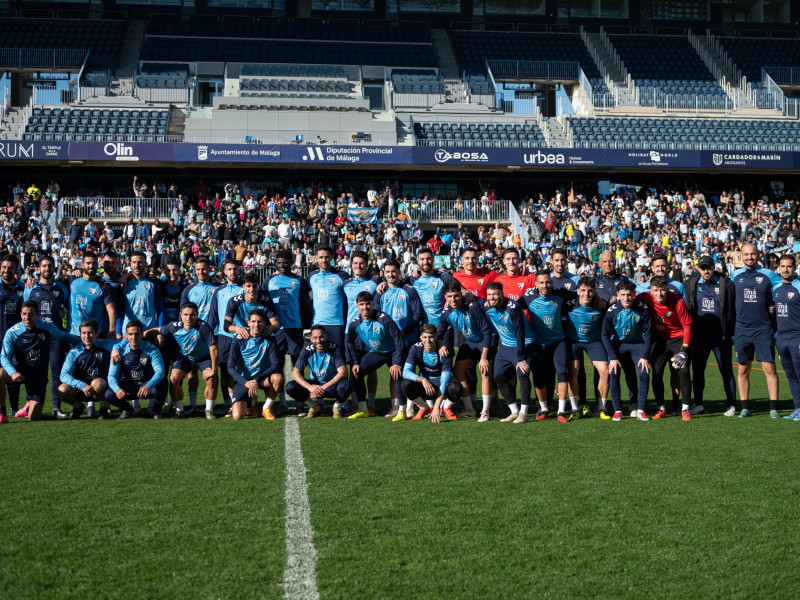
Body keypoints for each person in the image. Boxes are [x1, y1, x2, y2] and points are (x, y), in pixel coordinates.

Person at [1, 301, 79, 421]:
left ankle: (28, 406)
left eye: (31, 314)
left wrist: (84, 342)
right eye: (24, 314)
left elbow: (64, 336)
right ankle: (2, 414)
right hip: (19, 372)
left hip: (38, 376)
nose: (27, 318)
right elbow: (4, 356)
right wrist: (12, 372)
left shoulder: (47, 327)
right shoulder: (12, 332)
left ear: (37, 314)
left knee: (33, 418)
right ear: (21, 315)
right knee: (0, 373)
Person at [731, 242, 781, 418]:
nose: (749, 257)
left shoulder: (769, 275)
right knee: (743, 369)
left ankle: (773, 407)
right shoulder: (734, 275)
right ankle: (745, 407)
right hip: (742, 329)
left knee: (769, 368)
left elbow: (782, 290)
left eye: (752, 254)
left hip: (763, 329)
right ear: (741, 256)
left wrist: (774, 305)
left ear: (758, 255)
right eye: (746, 255)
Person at [147, 302, 218, 419]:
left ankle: (209, 410)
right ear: (180, 315)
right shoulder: (174, 326)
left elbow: (214, 348)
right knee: (173, 379)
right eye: (185, 315)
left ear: (197, 315)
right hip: (184, 357)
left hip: (203, 357)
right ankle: (179, 411)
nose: (188, 318)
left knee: (211, 379)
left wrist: (214, 370)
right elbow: (158, 329)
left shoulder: (204, 327)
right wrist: (142, 334)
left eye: (192, 315)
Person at [684, 254, 736, 415]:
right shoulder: (690, 283)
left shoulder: (726, 283)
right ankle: (698, 403)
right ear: (698, 269)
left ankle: (732, 405)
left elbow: (733, 307)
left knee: (726, 370)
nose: (706, 271)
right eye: (703, 268)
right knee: (698, 372)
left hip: (720, 335)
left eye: (709, 267)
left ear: (714, 267)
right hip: (699, 336)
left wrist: (731, 332)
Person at [636, 276, 693, 421]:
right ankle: (661, 408)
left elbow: (687, 325)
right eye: (656, 290)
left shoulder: (677, 301)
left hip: (678, 338)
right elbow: (630, 300)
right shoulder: (644, 298)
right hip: (659, 340)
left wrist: (684, 350)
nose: (660, 294)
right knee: (656, 373)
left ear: (667, 289)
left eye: (662, 290)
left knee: (684, 371)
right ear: (651, 291)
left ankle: (685, 408)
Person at [374, 258, 424, 419]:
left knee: (409, 372)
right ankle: (395, 407)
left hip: (409, 338)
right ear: (384, 274)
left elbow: (417, 315)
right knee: (394, 373)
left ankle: (410, 407)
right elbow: (375, 315)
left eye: (393, 271)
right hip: (390, 341)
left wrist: (404, 331)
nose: (391, 275)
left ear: (399, 272)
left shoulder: (409, 290)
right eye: (387, 272)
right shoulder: (380, 292)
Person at [481, 282, 536, 423]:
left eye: (495, 294)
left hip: (524, 343)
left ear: (501, 293)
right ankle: (514, 411)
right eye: (489, 294)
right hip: (505, 347)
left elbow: (520, 333)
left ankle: (523, 413)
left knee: (522, 373)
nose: (492, 297)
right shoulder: (487, 306)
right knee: (498, 376)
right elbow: (471, 299)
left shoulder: (513, 307)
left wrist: (521, 357)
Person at [438, 282, 494, 419]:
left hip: (485, 340)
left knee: (484, 371)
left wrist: (484, 358)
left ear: (461, 295)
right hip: (470, 342)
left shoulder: (472, 306)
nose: (453, 299)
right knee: (458, 370)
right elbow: (439, 333)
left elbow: (487, 331)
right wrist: (441, 345)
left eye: (456, 296)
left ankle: (485, 412)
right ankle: (470, 409)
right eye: (450, 296)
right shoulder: (446, 313)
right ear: (445, 297)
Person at [24, 255, 70, 417]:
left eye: (50, 266)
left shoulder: (62, 288)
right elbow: (24, 314)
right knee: (36, 373)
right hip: (36, 339)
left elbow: (69, 310)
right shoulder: (30, 289)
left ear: (53, 268)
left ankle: (56, 407)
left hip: (56, 338)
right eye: (44, 266)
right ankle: (30, 405)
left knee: (57, 373)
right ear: (38, 268)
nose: (47, 269)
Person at [346, 291, 405, 419]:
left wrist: (397, 363)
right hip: (378, 352)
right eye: (361, 304)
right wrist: (355, 362)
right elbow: (349, 341)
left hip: (393, 351)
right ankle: (363, 410)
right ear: (357, 306)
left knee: (397, 375)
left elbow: (398, 338)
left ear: (373, 304)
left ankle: (401, 411)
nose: (365, 307)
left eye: (368, 304)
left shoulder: (384, 318)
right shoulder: (355, 323)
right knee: (357, 372)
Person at [602, 280, 652, 420]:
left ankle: (641, 409)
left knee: (644, 373)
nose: (626, 298)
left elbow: (648, 334)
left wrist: (645, 355)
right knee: (614, 372)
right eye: (623, 294)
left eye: (629, 294)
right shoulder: (612, 311)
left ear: (634, 294)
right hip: (618, 345)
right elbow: (604, 334)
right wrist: (612, 357)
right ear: (617, 294)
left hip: (638, 345)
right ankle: (617, 410)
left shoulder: (643, 308)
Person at [57, 319, 125, 420]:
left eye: (90, 333)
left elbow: (128, 340)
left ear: (96, 333)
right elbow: (63, 375)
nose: (87, 336)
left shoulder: (105, 344)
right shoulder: (74, 352)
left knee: (97, 383)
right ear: (80, 334)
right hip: (81, 389)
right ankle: (78, 407)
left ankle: (103, 407)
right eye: (84, 333)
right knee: (61, 390)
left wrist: (116, 348)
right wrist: (82, 385)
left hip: (101, 388)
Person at [341, 250, 382, 415]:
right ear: (351, 265)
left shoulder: (375, 283)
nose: (359, 266)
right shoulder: (344, 284)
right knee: (354, 371)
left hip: (370, 332)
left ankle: (371, 405)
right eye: (356, 263)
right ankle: (356, 404)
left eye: (362, 263)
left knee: (371, 370)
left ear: (367, 265)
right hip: (350, 333)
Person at [565, 277, 610, 418]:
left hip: (593, 342)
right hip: (574, 342)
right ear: (577, 291)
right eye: (583, 290)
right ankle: (574, 408)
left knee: (605, 371)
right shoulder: (568, 305)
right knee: (573, 371)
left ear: (594, 292)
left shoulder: (601, 305)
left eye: (590, 291)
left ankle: (602, 409)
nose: (587, 294)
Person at [227, 308, 283, 420]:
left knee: (278, 378)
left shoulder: (270, 338)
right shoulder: (238, 339)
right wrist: (246, 383)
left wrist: (256, 379)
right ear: (248, 323)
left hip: (262, 378)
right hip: (245, 380)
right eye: (253, 321)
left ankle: (266, 408)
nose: (256, 325)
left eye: (259, 322)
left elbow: (275, 365)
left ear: (264, 323)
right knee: (237, 416)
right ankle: (253, 401)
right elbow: (230, 367)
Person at [401, 323, 463, 423]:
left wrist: (436, 407)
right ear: (420, 337)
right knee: (406, 384)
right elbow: (405, 372)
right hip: (426, 387)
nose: (428, 340)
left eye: (431, 337)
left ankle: (445, 408)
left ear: (436, 337)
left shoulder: (444, 352)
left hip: (442, 387)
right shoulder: (416, 348)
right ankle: (424, 407)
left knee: (456, 387)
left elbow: (444, 382)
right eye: (425, 337)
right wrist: (423, 379)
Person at [287, 325, 351, 419]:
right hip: (314, 386)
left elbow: (343, 372)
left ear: (326, 336)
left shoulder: (334, 348)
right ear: (311, 339)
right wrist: (309, 387)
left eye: (321, 337)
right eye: (315, 338)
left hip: (330, 387)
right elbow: (295, 373)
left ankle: (336, 406)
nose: (319, 340)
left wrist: (323, 387)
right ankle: (313, 405)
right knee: (290, 387)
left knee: (346, 385)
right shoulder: (307, 350)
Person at [180, 257, 217, 412]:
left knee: (212, 372)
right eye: (198, 270)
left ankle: (215, 405)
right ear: (194, 271)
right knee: (192, 373)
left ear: (210, 269)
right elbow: (181, 313)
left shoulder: (217, 288)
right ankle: (193, 405)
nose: (201, 272)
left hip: (211, 335)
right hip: (192, 336)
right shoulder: (189, 289)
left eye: (204, 269)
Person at [109, 320, 167, 419]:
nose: (134, 337)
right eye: (130, 334)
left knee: (162, 384)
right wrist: (117, 390)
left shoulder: (152, 349)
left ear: (141, 334)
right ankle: (127, 409)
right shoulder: (119, 352)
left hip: (146, 385)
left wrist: (149, 385)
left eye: (136, 334)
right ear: (126, 335)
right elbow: (111, 376)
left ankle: (156, 410)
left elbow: (160, 372)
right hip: (129, 386)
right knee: (109, 393)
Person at [208, 258, 243, 414]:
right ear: (224, 271)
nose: (233, 272)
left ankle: (246, 402)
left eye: (235, 269)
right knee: (225, 372)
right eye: (229, 269)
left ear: (239, 270)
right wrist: (211, 337)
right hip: (223, 337)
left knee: (243, 370)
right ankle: (228, 403)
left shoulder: (245, 289)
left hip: (243, 336)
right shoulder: (219, 291)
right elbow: (213, 316)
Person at [772, 254, 800, 420]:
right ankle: (797, 408)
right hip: (781, 340)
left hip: (797, 338)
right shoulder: (775, 289)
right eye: (782, 266)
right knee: (791, 376)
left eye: (789, 266)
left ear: (794, 267)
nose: (785, 269)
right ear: (778, 268)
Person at [0, 254, 27, 420]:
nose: (6, 270)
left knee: (13, 373)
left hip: (16, 339)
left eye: (10, 267)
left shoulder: (22, 288)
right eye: (3, 267)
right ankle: (2, 408)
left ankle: (15, 408)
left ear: (16, 269)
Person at [306, 244, 349, 349]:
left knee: (337, 358)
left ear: (331, 258)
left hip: (336, 324)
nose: (324, 260)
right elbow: (298, 290)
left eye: (326, 257)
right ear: (316, 259)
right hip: (316, 324)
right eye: (321, 257)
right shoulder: (311, 276)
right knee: (317, 360)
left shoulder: (342, 276)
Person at [116, 250, 164, 335]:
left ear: (146, 264)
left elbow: (160, 309)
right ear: (130, 263)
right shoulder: (124, 283)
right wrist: (118, 332)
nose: (136, 265)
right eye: (134, 262)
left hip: (150, 332)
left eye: (140, 262)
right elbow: (120, 311)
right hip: (128, 334)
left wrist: (160, 332)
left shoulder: (155, 283)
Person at [69, 252, 116, 337]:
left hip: (95, 334)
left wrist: (112, 330)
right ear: (82, 264)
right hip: (74, 333)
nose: (91, 266)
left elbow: (111, 309)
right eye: (88, 263)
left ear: (97, 264)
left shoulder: (103, 285)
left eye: (94, 263)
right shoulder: (72, 280)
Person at [410, 247, 456, 327]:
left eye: (428, 259)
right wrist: (383, 283)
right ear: (418, 261)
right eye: (422, 259)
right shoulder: (412, 280)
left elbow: (460, 290)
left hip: (444, 328)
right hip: (424, 330)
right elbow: (395, 283)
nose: (425, 262)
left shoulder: (443, 277)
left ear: (433, 259)